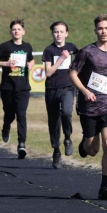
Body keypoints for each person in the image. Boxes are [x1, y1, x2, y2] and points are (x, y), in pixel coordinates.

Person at [69, 14, 107, 200]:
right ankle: (85, 141)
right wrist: (85, 91)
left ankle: (105, 185)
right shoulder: (87, 52)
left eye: (106, 28)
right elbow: (72, 73)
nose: (103, 31)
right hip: (89, 107)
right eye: (100, 28)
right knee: (92, 150)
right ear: (95, 30)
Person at [0, 19, 35, 159]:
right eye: (14, 29)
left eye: (19, 29)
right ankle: (6, 126)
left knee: (21, 114)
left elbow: (31, 59)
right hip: (8, 87)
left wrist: (30, 65)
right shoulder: (4, 47)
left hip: (23, 88)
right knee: (9, 113)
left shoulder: (27, 47)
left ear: (23, 32)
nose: (16, 31)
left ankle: (21, 144)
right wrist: (5, 63)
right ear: (10, 32)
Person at [42, 21, 78, 169]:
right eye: (56, 32)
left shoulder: (72, 47)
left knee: (67, 112)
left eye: (61, 31)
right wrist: (61, 59)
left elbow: (83, 59)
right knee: (54, 121)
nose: (59, 34)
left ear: (66, 33)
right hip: (52, 88)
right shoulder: (49, 50)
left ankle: (68, 138)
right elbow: (48, 72)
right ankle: (56, 150)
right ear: (53, 34)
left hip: (68, 87)